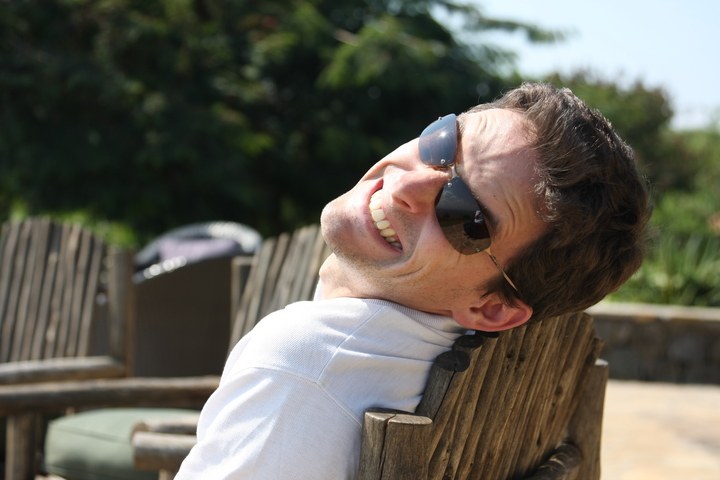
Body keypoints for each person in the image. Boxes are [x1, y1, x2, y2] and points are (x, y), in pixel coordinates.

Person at [175, 82, 651, 479]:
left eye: (464, 215)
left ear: (491, 308)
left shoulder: (303, 368)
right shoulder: (429, 359)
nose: (405, 186)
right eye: (441, 143)